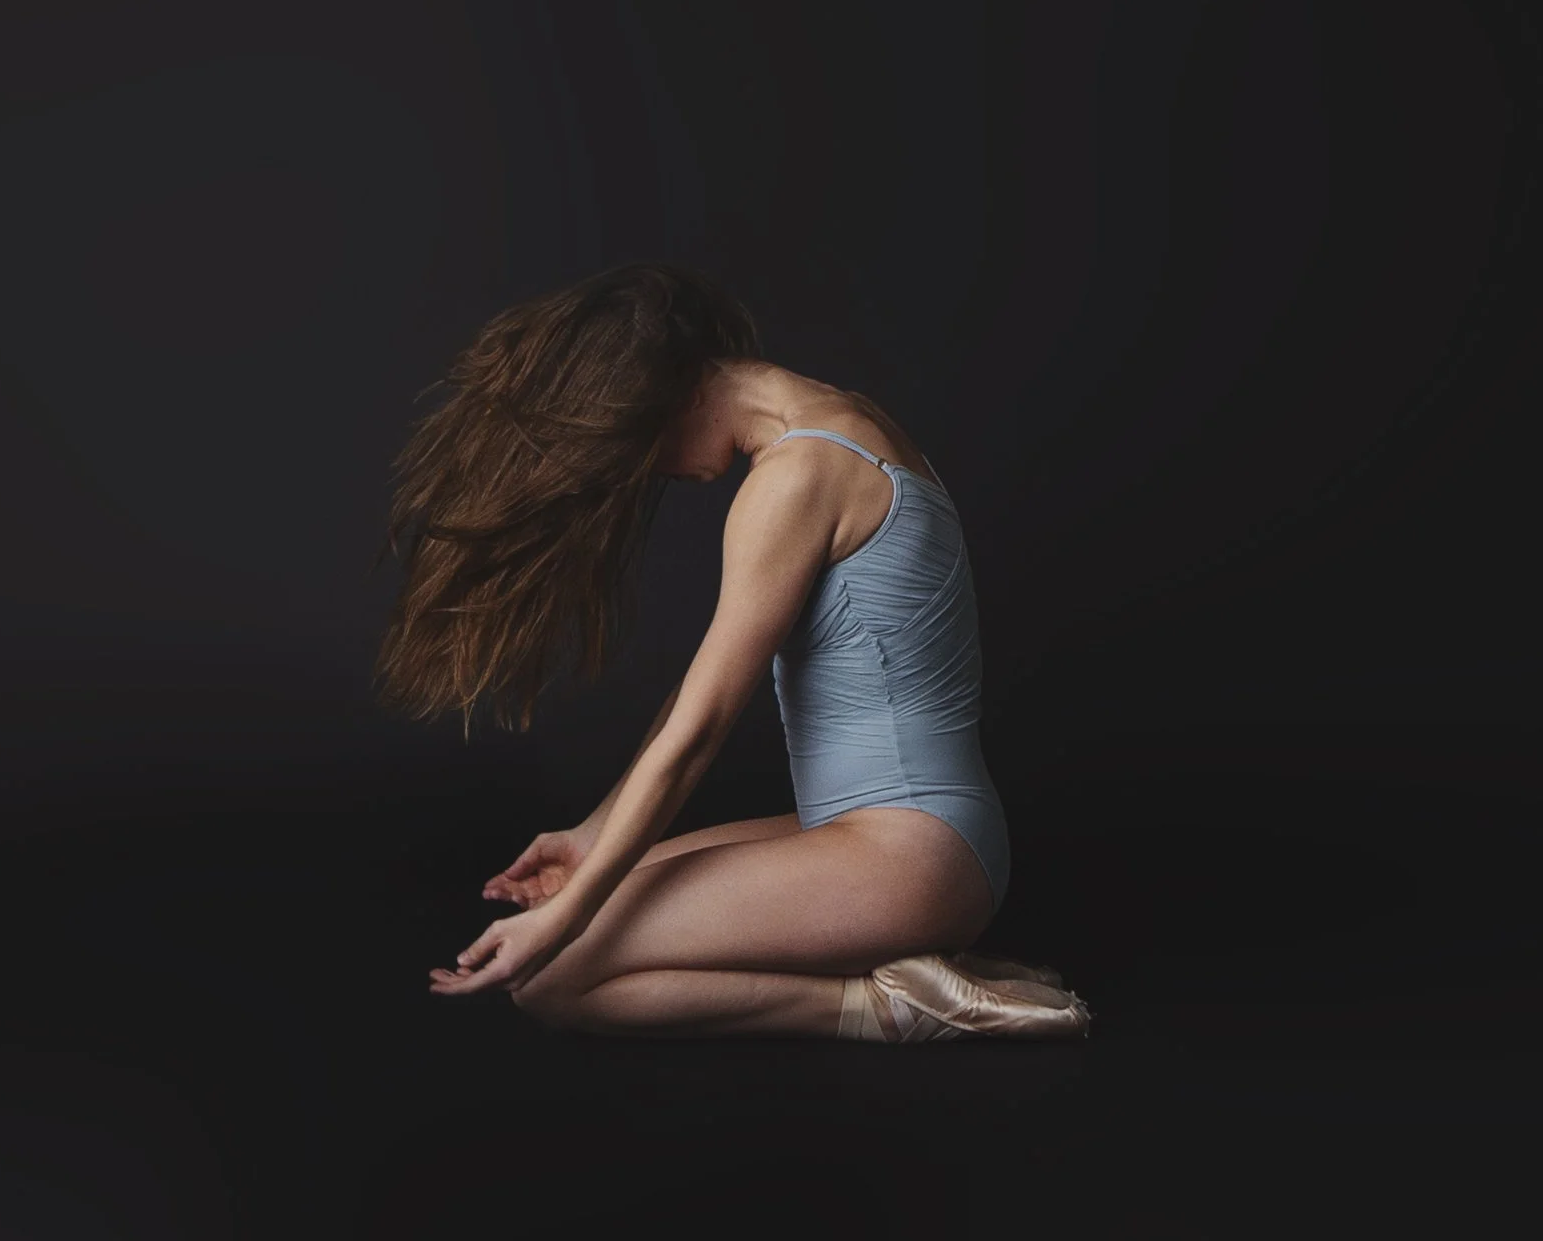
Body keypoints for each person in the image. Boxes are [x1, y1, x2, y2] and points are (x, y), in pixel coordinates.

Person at [373, 261, 1088, 1041]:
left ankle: (886, 1008)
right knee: (576, 903)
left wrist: (564, 920)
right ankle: (924, 969)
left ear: (661, 394)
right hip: (911, 833)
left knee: (553, 971)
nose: (649, 470)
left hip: (909, 857)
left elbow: (702, 728)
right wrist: (591, 833)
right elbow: (696, 695)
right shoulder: (847, 422)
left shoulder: (794, 477)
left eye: (633, 442)